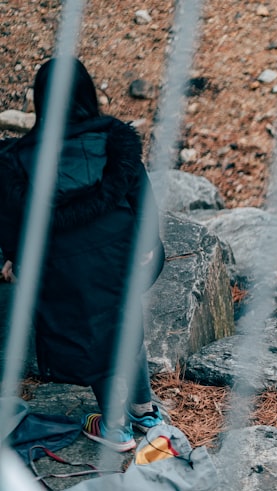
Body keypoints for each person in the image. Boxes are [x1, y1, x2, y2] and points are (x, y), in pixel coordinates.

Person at [0, 57, 166, 452]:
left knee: (92, 336)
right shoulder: (115, 142)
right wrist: (148, 245)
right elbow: (142, 198)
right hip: (121, 256)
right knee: (124, 320)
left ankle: (115, 428)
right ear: (88, 94)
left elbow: (12, 221)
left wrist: (12, 259)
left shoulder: (16, 161)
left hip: (62, 267)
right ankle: (145, 410)